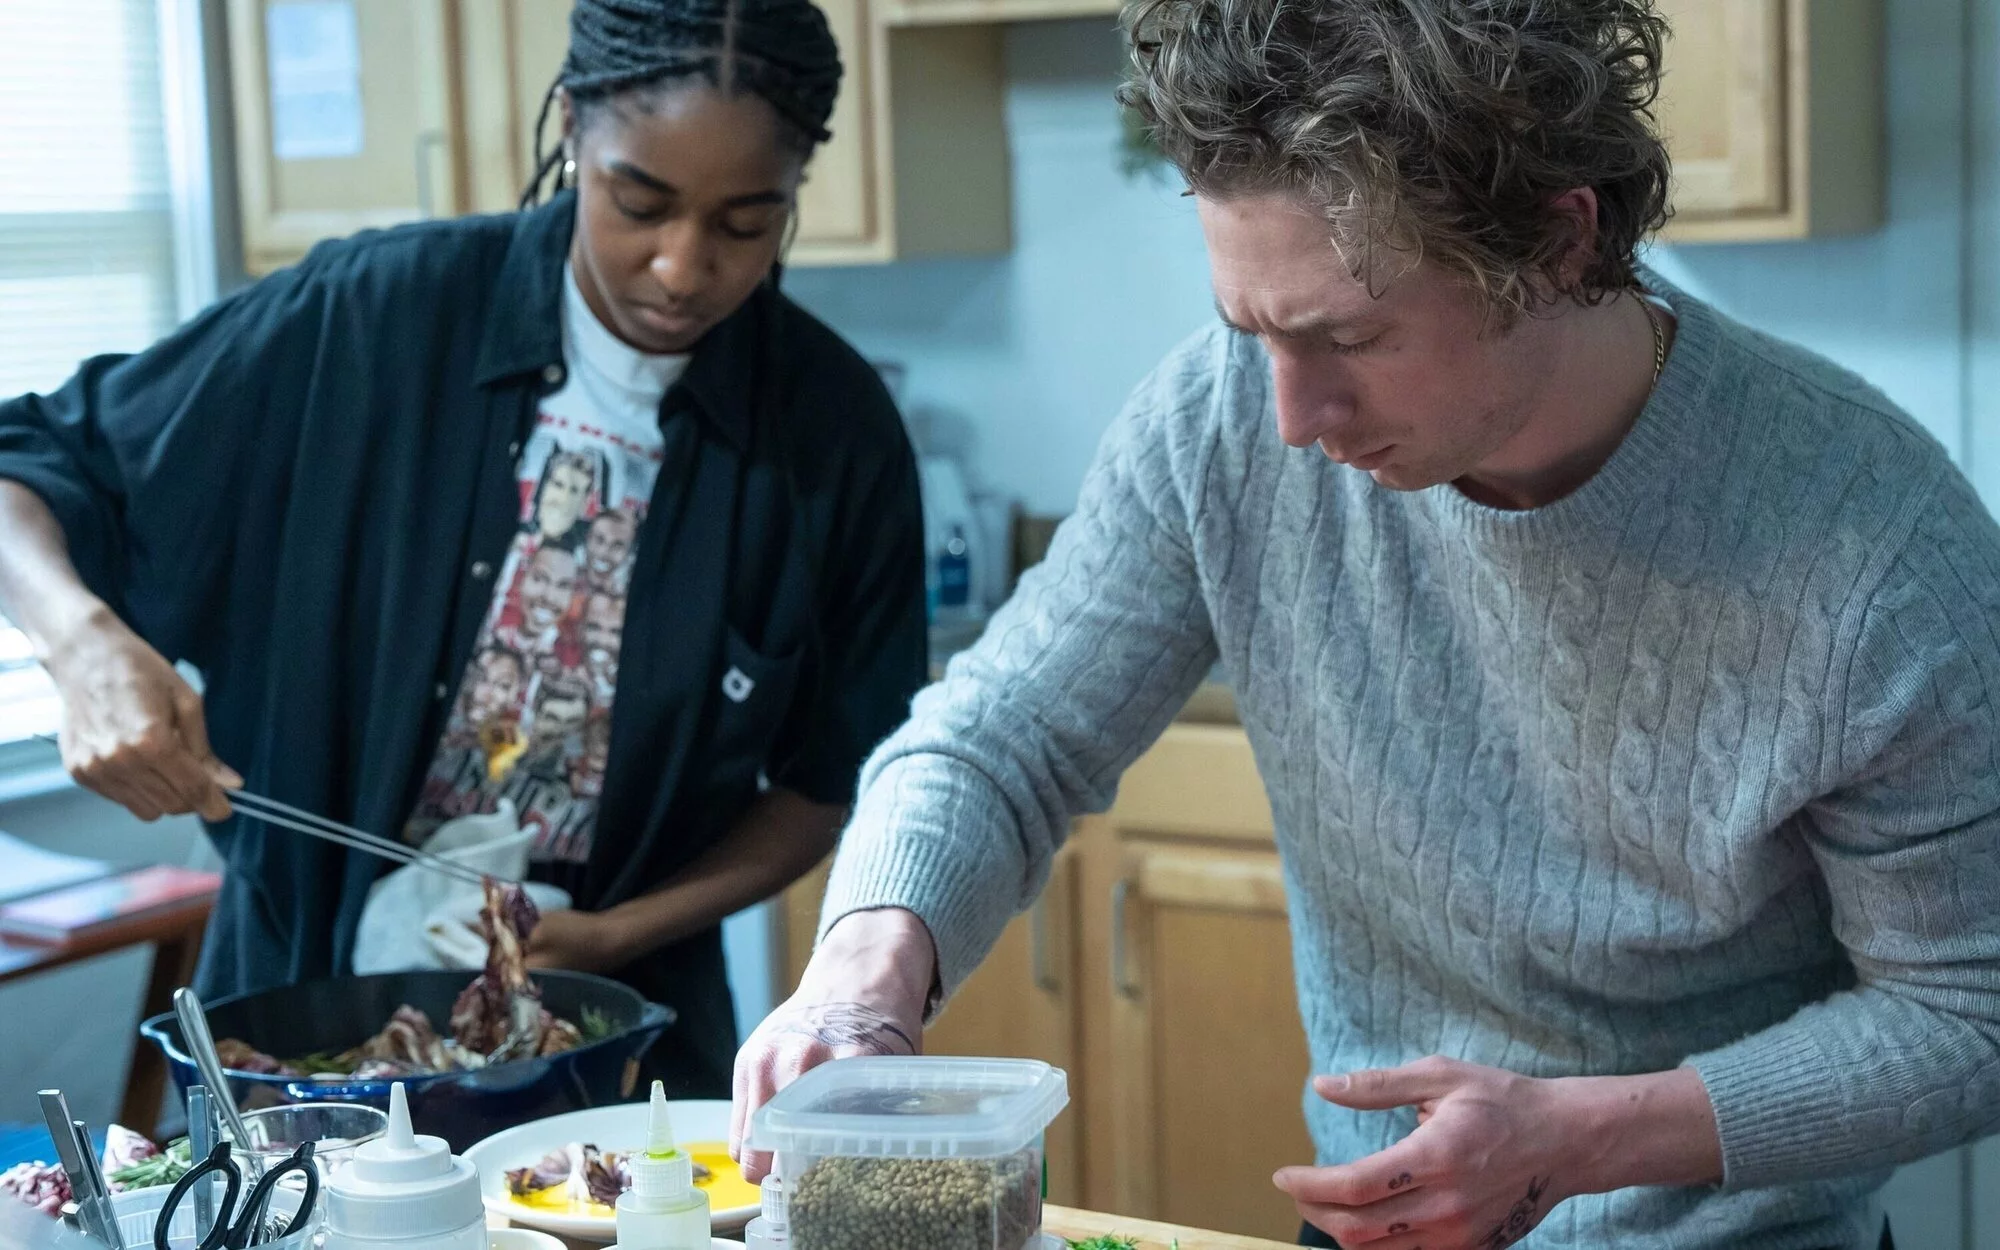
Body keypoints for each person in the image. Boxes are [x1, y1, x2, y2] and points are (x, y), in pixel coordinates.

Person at [731, 0, 2000, 1246]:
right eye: (1250, 330)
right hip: (1378, 1223)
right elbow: (999, 735)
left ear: (1558, 244)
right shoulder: (1219, 424)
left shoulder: (1875, 546)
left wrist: (1577, 1138)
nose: (1291, 417)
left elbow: (1969, 1010)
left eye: (1348, 333)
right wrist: (864, 967)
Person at [0, 0, 926, 1099]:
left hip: (622, 1054)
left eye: (745, 223)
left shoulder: (831, 433)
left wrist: (617, 932)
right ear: (571, 127)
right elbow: (29, 462)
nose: (682, 267)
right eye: (640, 204)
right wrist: (82, 642)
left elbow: (830, 782)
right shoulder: (367, 319)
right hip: (295, 1038)